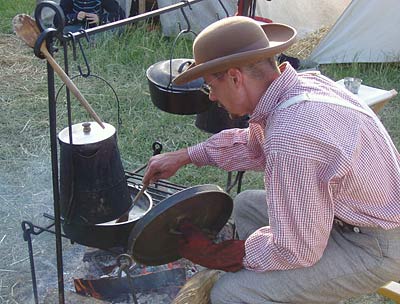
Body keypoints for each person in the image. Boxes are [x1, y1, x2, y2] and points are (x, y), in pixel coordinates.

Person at [142, 16, 400, 304]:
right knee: (247, 205)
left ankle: (269, 290)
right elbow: (253, 146)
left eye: (210, 86)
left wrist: (223, 254)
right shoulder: (304, 85)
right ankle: (287, 288)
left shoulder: (291, 135)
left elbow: (298, 248)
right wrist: (186, 156)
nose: (212, 96)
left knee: (228, 294)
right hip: (348, 216)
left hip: (375, 244)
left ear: (235, 77)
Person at [60, 0, 124, 33]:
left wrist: (100, 19)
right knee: (64, 31)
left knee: (118, 29)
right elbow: (58, 19)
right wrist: (75, 17)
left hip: (97, 29)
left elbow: (120, 14)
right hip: (77, 29)